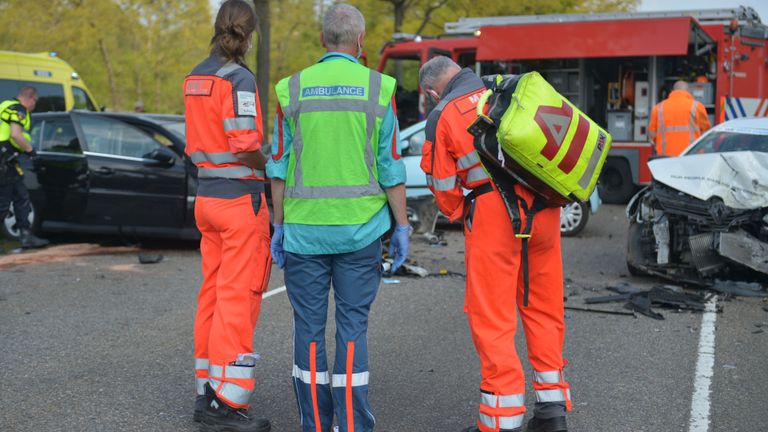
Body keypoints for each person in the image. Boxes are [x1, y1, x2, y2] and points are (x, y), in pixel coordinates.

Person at [268, 4, 409, 431]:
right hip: (361, 232)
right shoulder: (380, 89)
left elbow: (277, 166)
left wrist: (278, 225)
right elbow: (391, 167)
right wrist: (401, 226)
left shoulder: (290, 89)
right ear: (361, 42)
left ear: (323, 41)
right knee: (352, 329)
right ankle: (349, 426)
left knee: (308, 331)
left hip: (304, 234)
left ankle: (315, 424)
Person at [419, 57, 571, 432]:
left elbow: (444, 192)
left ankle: (502, 420)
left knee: (493, 318)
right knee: (543, 307)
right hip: (545, 209)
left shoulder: (443, 114)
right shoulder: (507, 87)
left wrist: (462, 210)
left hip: (493, 216)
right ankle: (552, 409)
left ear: (431, 91)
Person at [183, 1, 271, 431]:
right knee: (238, 296)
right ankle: (228, 402)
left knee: (213, 295)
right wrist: (269, 163)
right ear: (249, 35)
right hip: (240, 202)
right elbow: (243, 142)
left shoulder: (195, 76)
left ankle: (206, 390)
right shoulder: (238, 78)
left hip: (207, 198)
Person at [0, 86, 49, 249]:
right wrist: (31, 151)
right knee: (4, 202)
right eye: (35, 101)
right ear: (31, 99)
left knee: (21, 196)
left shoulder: (5, 104)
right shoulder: (19, 109)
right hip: (4, 160)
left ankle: (25, 235)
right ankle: (24, 235)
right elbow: (15, 134)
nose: (34, 104)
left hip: (8, 160)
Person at [648, 80, 711, 156]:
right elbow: (706, 133)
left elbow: (652, 135)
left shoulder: (658, 108)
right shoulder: (697, 106)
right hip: (690, 156)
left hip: (665, 157)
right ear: (688, 91)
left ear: (672, 91)